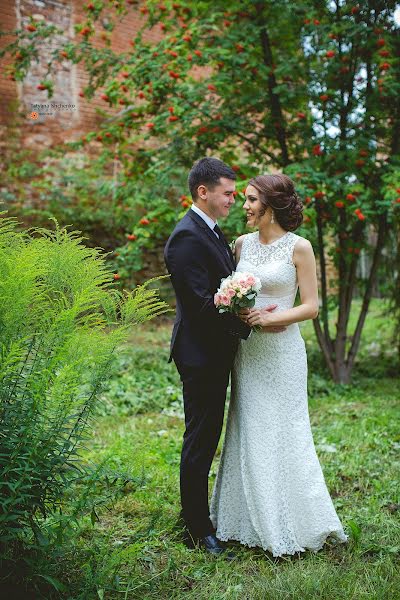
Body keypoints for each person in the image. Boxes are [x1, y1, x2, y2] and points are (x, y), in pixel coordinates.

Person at [210, 173, 348, 556]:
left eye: (252, 200)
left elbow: (313, 305)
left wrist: (275, 318)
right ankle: (246, 518)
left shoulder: (299, 247)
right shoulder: (240, 245)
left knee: (286, 429)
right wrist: (237, 310)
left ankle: (296, 519)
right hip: (249, 353)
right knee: (250, 427)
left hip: (283, 352)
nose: (245, 206)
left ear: (271, 205)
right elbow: (233, 295)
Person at [164, 158, 282, 556]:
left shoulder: (212, 232)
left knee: (206, 436)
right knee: (200, 440)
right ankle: (198, 530)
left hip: (215, 352)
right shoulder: (186, 237)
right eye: (229, 193)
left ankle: (200, 520)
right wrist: (247, 324)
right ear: (204, 192)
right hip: (200, 356)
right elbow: (200, 307)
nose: (235, 200)